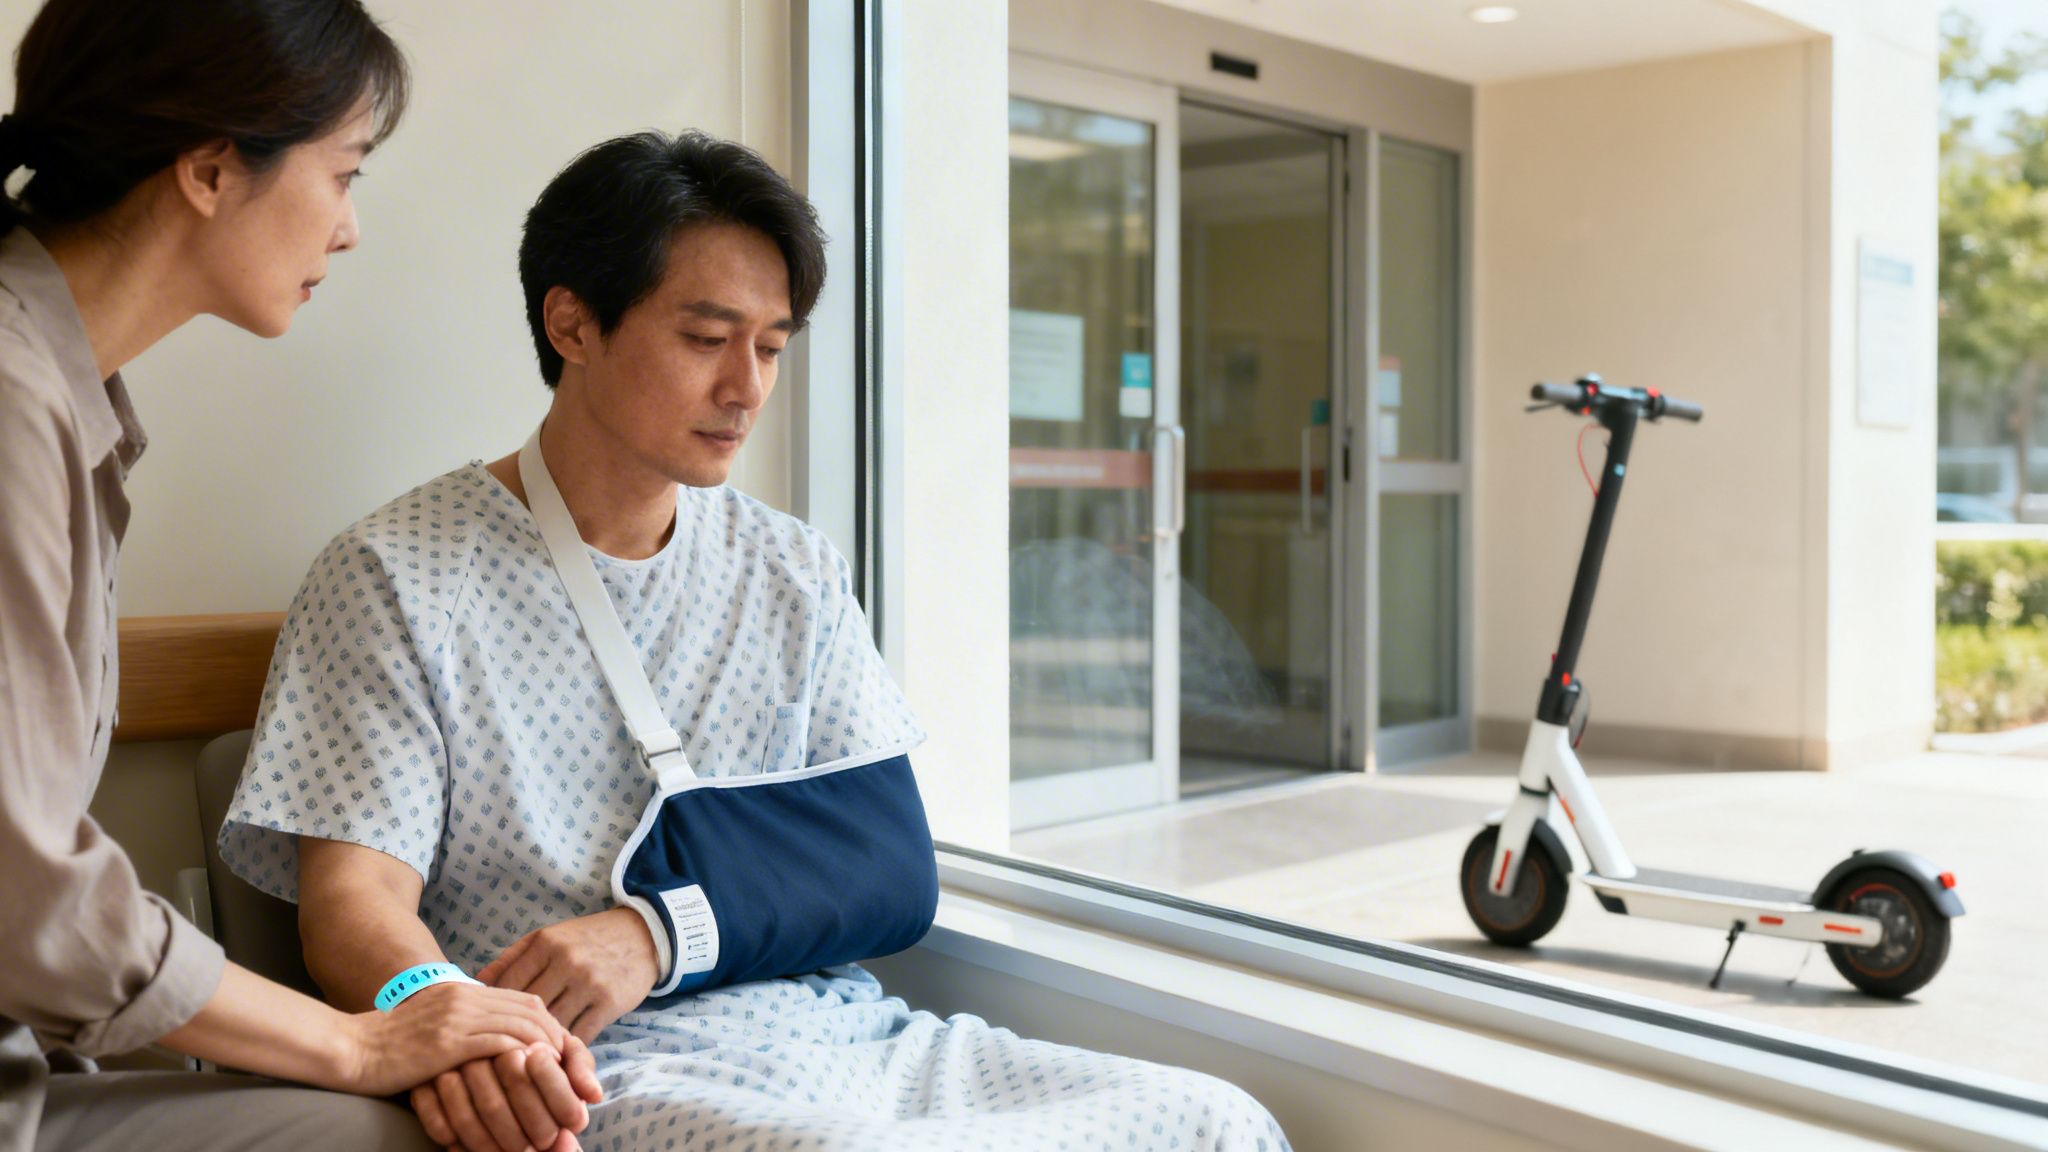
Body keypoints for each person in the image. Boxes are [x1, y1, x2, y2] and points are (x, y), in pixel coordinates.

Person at [221, 128, 1292, 1152]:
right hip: (607, 1065)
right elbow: (355, 907)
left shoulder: (793, 572)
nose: (746, 389)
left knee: (1214, 1119)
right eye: (704, 339)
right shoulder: (398, 576)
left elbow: (887, 868)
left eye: (770, 348)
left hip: (846, 1035)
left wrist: (653, 933)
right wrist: (445, 1014)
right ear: (573, 325)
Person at [0, 2, 597, 1150]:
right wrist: (368, 1039)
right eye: (343, 173)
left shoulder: (66, 404)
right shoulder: (16, 404)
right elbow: (30, 899)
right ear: (214, 169)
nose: (350, 228)